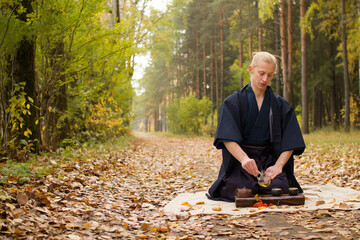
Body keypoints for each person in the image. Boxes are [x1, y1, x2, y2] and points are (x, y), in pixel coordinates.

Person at [207, 51, 305, 202]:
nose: (265, 79)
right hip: (243, 161)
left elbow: (291, 139)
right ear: (251, 69)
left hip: (269, 160)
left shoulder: (280, 105)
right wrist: (244, 159)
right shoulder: (233, 102)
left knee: (279, 188)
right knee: (243, 190)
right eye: (261, 73)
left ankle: (273, 178)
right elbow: (227, 137)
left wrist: (278, 166)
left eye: (270, 75)